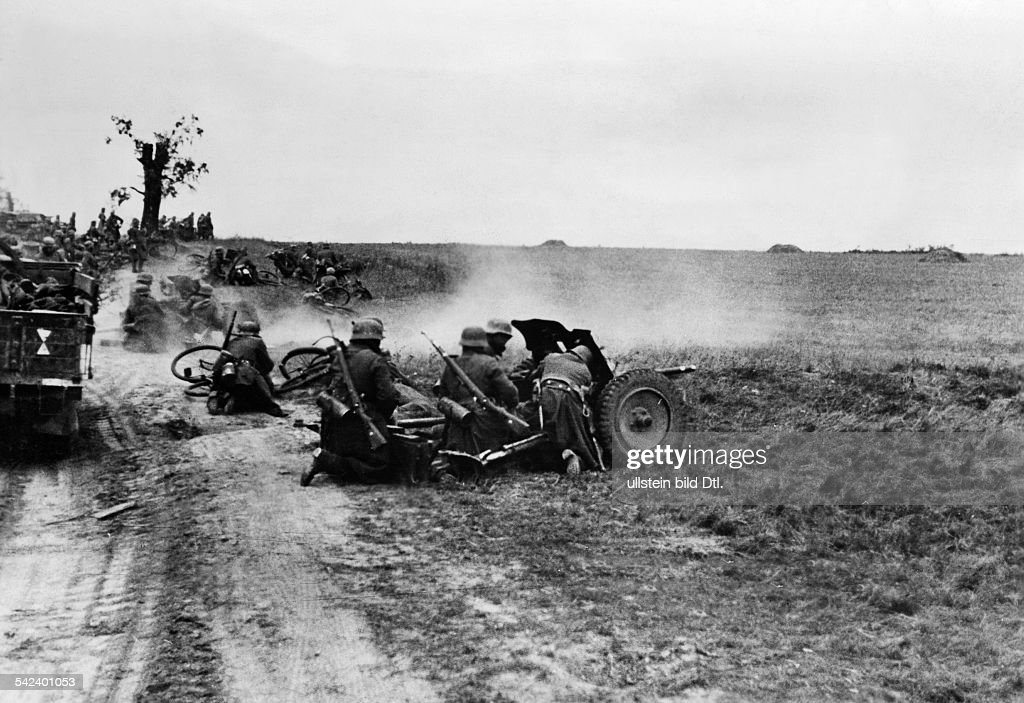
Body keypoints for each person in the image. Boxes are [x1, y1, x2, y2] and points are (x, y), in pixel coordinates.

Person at [301, 318, 401, 486]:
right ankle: (327, 460)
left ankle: (330, 457)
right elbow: (387, 397)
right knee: (383, 469)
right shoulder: (375, 360)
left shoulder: (340, 356)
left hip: (333, 426)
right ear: (374, 339)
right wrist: (381, 417)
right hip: (360, 425)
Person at [435, 326, 519, 454]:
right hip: (485, 426)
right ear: (482, 344)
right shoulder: (488, 363)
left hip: (457, 424)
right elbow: (510, 394)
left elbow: (442, 395)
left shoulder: (452, 364)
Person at [537, 344, 603, 474]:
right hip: (568, 398)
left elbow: (537, 372)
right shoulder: (584, 370)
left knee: (547, 429)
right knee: (578, 432)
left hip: (546, 395)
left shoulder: (551, 357)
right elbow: (587, 390)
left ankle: (558, 452)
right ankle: (577, 455)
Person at [209, 320, 288, 417]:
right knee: (265, 393)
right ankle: (274, 409)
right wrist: (264, 373)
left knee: (216, 386)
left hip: (225, 373)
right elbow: (267, 363)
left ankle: (216, 400)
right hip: (245, 373)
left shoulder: (232, 341)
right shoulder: (258, 342)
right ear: (256, 331)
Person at [122, 285, 167, 352]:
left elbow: (125, 322)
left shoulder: (132, 304)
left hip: (137, 337)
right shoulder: (154, 302)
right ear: (148, 293)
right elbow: (162, 315)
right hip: (154, 338)